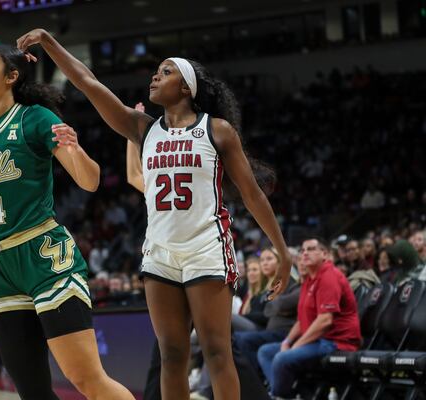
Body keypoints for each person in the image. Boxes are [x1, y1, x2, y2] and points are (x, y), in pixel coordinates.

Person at [17, 29, 292, 400]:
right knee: (172, 356)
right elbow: (87, 82)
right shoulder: (142, 128)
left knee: (216, 351)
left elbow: (253, 195)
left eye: (166, 72)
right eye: (156, 72)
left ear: (186, 88)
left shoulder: (217, 130)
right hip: (160, 252)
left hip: (205, 248)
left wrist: (282, 251)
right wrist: (49, 42)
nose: (155, 76)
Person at [0, 44, 134, 400]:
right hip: (0, 266)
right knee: (32, 391)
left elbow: (90, 181)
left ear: (11, 76)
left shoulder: (36, 118)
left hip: (45, 256)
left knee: (88, 380)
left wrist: (75, 149)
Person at [125, 104, 269, 400]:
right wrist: (134, 136)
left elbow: (133, 176)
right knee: (177, 353)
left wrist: (134, 135)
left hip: (207, 255)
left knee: (217, 349)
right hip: (165, 260)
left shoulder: (204, 163)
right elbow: (134, 176)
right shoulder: (156, 181)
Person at [257, 238, 361, 398]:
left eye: (311, 249)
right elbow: (302, 320)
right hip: (318, 340)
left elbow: (325, 321)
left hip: (336, 342)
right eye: (303, 250)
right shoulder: (309, 279)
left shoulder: (329, 276)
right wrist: (287, 342)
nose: (305, 253)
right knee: (265, 352)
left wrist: (296, 345)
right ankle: (286, 394)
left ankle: (281, 395)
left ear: (324, 254)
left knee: (281, 359)